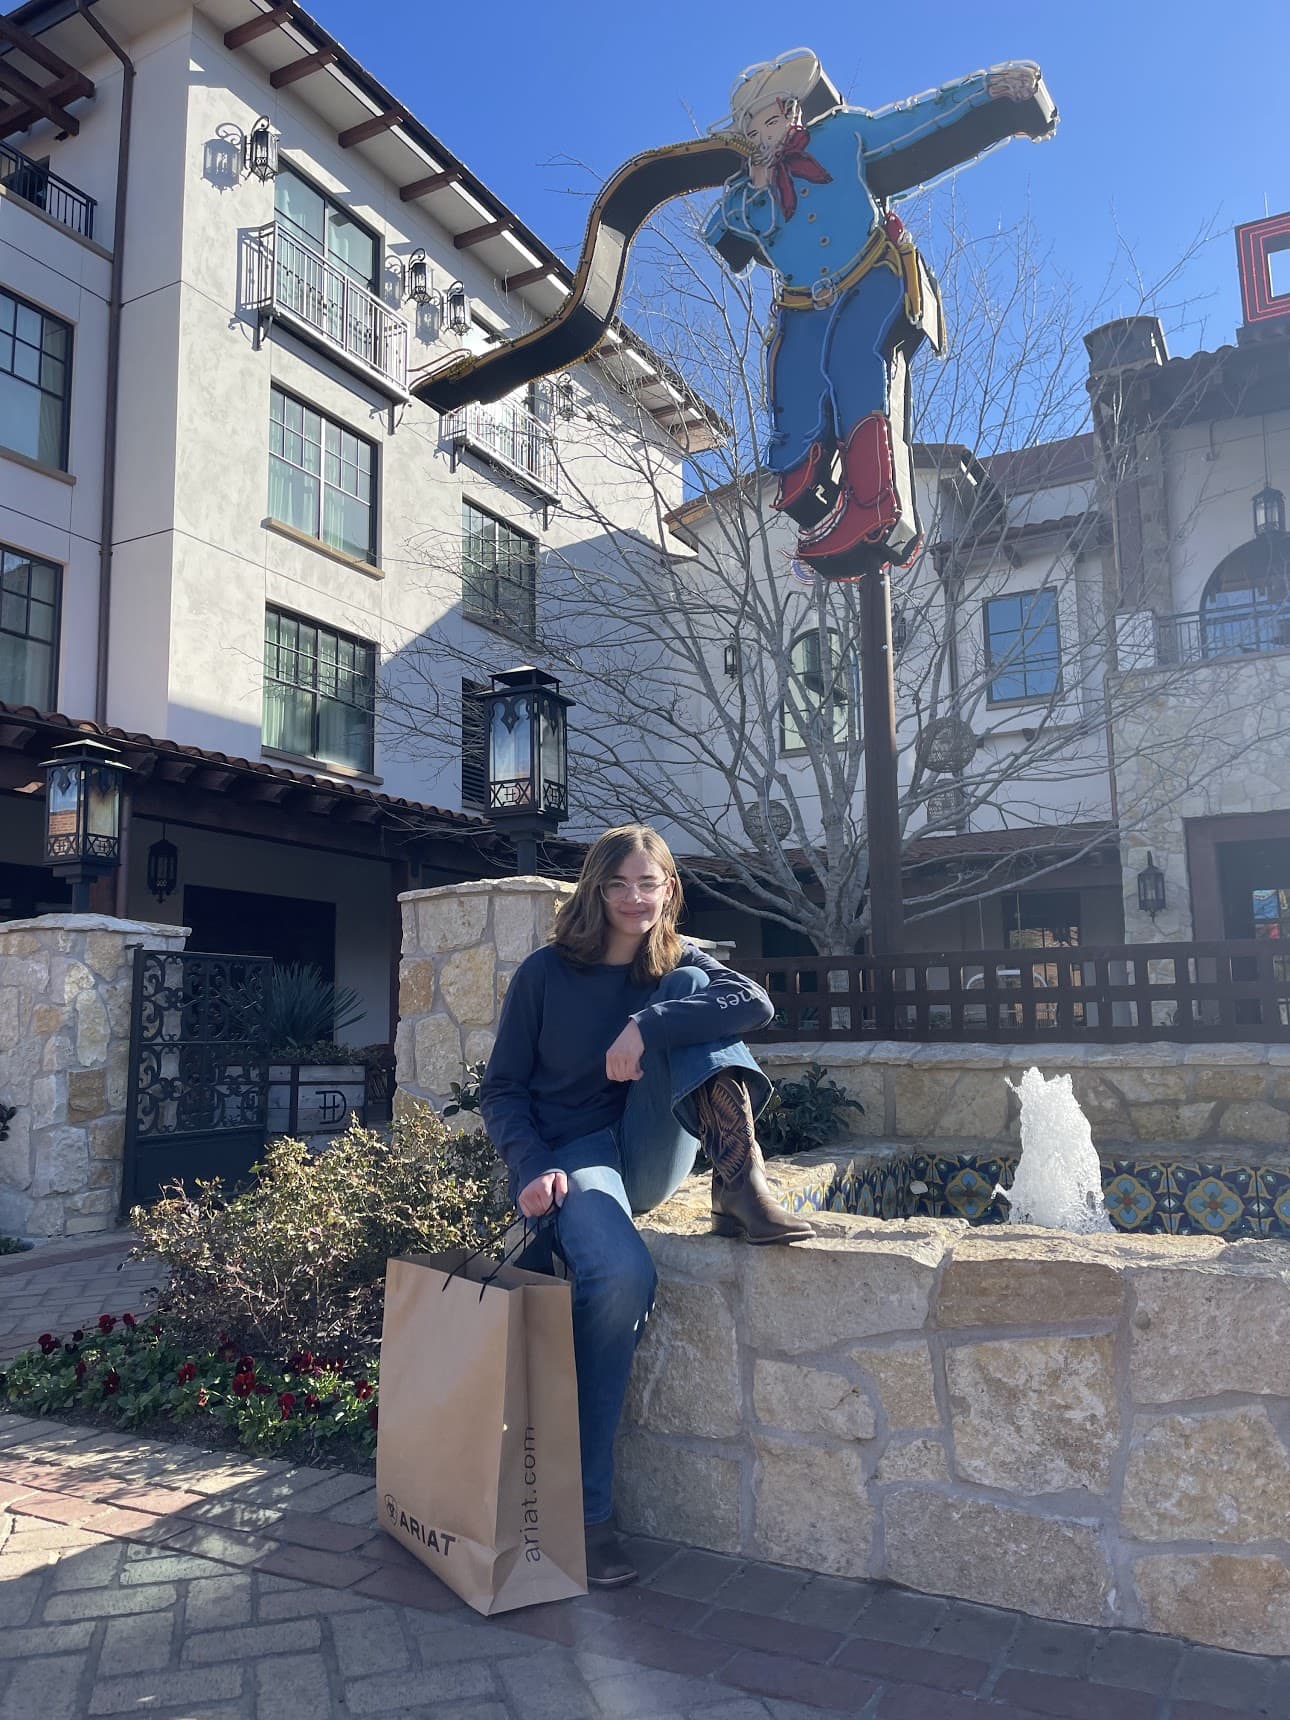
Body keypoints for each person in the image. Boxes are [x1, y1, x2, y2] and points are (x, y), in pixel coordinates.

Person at [480, 823, 813, 1587]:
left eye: (650, 883)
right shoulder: (544, 975)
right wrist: (530, 1168)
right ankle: (589, 1513)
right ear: (595, 889)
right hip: (577, 1158)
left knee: (694, 991)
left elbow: (753, 1002)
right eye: (619, 884)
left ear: (669, 891)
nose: (635, 899)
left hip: (651, 1147)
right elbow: (500, 1090)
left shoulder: (674, 965)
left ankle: (739, 1178)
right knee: (623, 1277)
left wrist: (646, 1022)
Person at [702, 49, 1052, 575]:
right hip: (801, 303)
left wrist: (987, 91)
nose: (765, 135)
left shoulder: (843, 136)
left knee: (855, 361)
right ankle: (804, 468)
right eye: (753, 130)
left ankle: (875, 504)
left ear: (793, 110)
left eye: (771, 120)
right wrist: (755, 183)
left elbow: (919, 123)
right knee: (792, 381)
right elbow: (724, 231)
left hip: (871, 276)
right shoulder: (744, 195)